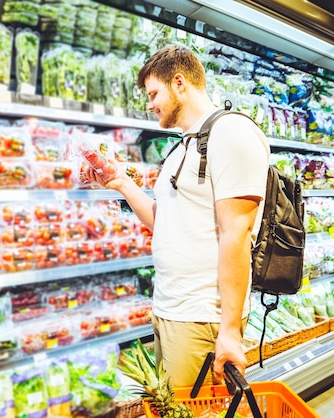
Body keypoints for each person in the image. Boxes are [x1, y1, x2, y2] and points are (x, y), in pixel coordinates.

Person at [83, 44, 270, 387]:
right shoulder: (184, 145)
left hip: (202, 318)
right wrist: (120, 183)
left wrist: (229, 330)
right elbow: (163, 221)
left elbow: (238, 233)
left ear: (180, 83)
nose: (150, 104)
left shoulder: (231, 133)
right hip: (172, 309)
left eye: (154, 94)